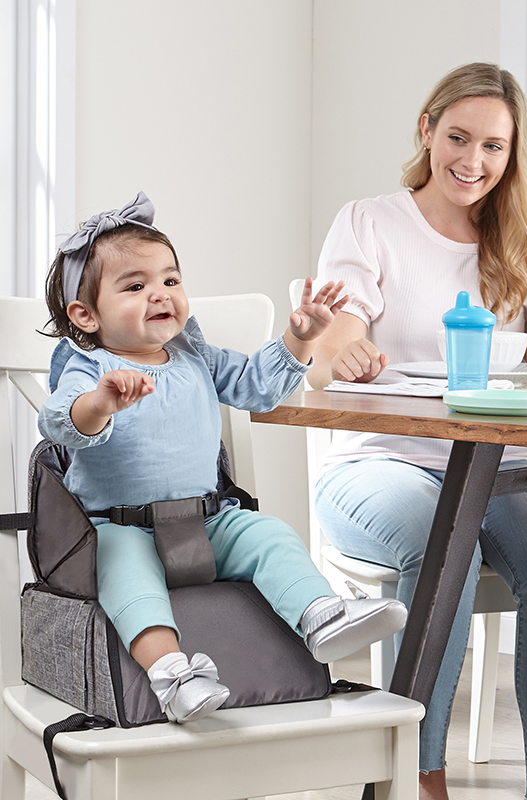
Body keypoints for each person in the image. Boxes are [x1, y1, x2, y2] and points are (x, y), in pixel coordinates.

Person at [306, 63, 527, 800]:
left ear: (511, 155)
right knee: (439, 539)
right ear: (427, 131)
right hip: (377, 463)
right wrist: (344, 346)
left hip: (497, 467)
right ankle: (417, 773)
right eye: (458, 137)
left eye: (494, 147)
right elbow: (334, 335)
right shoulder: (369, 222)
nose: (473, 160)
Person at [39, 191, 407, 725]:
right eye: (136, 286)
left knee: (270, 535)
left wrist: (298, 339)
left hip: (208, 520)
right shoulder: (87, 366)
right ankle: (173, 677)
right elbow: (58, 422)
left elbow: (258, 388)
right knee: (124, 573)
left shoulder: (194, 354)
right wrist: (101, 402)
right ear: (86, 315)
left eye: (170, 280)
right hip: (121, 527)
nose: (160, 294)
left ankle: (321, 616)